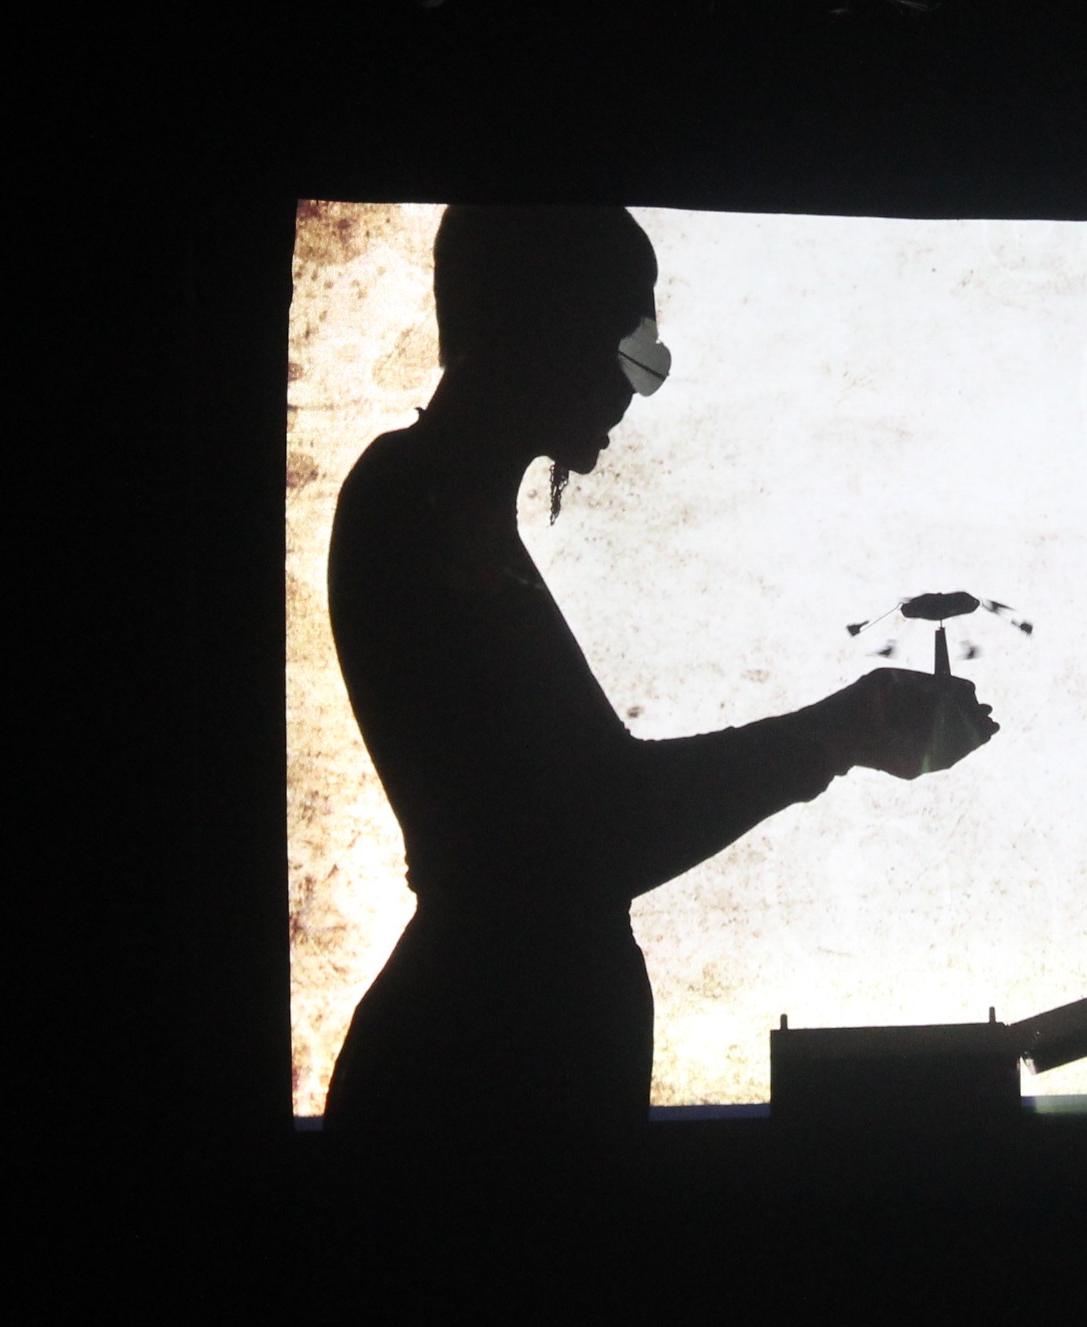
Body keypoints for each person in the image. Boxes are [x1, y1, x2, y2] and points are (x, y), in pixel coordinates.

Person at [322, 206, 997, 1154]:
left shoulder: (435, 508)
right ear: (540, 322)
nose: (635, 381)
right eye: (625, 337)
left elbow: (574, 819)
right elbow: (588, 833)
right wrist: (839, 732)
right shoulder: (422, 509)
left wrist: (842, 730)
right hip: (475, 1103)